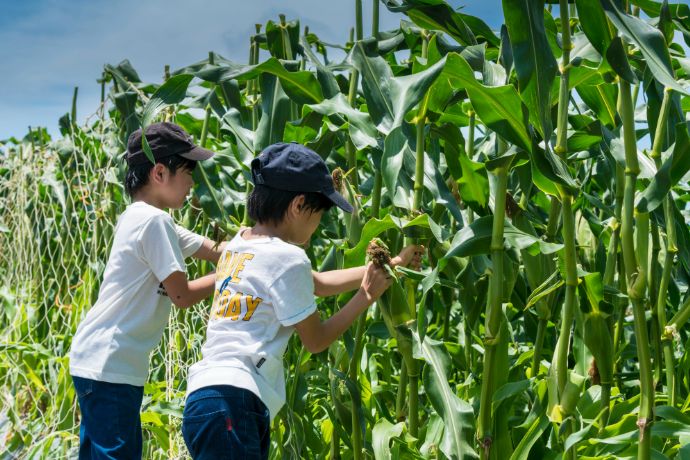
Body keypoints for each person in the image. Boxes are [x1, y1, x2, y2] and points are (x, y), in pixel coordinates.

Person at [182, 142, 423, 459]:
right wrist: (366, 295)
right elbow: (316, 339)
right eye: (319, 213)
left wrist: (389, 266)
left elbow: (318, 284)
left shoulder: (240, 244)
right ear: (298, 205)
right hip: (235, 402)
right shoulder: (287, 258)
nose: (319, 223)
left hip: (205, 398)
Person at [69, 122, 226, 459]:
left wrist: (249, 245)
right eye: (187, 173)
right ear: (159, 173)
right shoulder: (154, 223)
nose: (192, 183)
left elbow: (214, 249)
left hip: (100, 361)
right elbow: (181, 295)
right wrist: (228, 275)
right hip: (111, 364)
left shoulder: (144, 218)